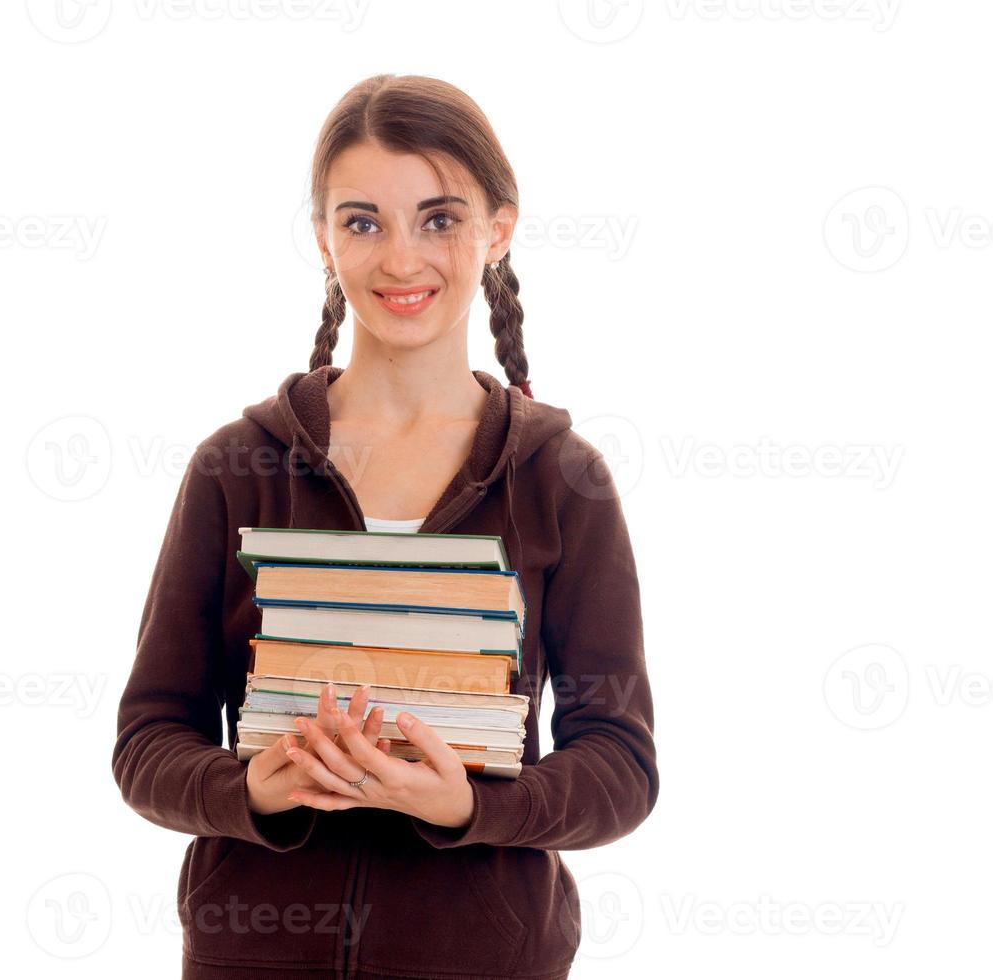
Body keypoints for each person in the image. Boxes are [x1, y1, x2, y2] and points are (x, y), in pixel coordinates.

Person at [112, 73, 658, 980]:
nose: (402, 259)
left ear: (499, 228)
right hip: (252, 959)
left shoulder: (563, 478)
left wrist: (475, 808)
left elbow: (622, 764)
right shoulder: (232, 468)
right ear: (325, 239)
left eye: (440, 218)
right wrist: (249, 790)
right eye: (363, 221)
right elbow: (148, 741)